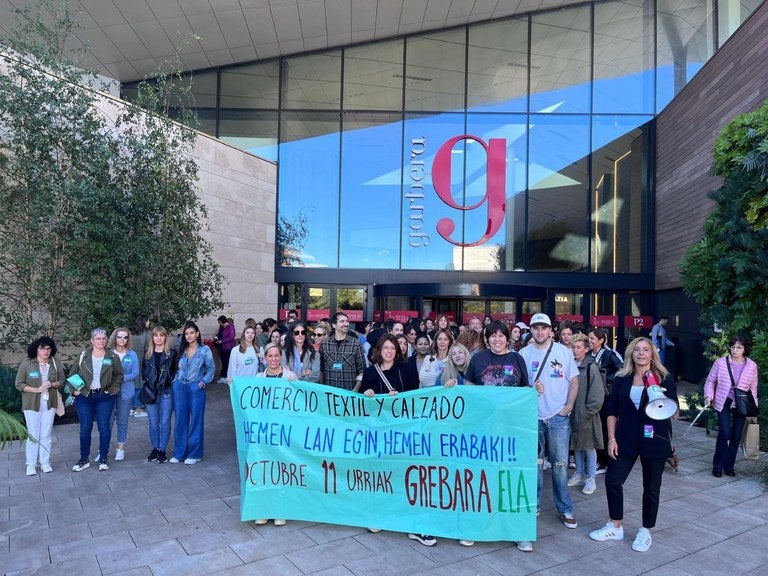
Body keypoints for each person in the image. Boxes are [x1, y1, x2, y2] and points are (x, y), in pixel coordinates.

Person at [589, 337, 678, 553]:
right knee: (612, 480)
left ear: (652, 354)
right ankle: (615, 525)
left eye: (645, 350)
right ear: (631, 353)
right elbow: (612, 412)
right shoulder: (622, 378)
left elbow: (674, 415)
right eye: (637, 350)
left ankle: (646, 530)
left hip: (654, 439)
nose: (641, 353)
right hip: (626, 437)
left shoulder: (664, 378)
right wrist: (611, 438)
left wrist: (659, 394)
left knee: (651, 487)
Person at [359, 334, 436, 547]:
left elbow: (414, 399)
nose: (389, 351)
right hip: (379, 433)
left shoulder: (408, 369)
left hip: (403, 432)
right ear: (378, 350)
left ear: (398, 350)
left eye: (393, 348)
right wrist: (368, 394)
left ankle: (413, 525)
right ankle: (379, 516)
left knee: (406, 475)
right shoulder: (369, 372)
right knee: (381, 475)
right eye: (385, 347)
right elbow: (365, 404)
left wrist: (400, 397)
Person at [460, 321, 529, 548]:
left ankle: (519, 531)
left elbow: (525, 393)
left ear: (507, 338)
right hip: (483, 431)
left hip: (511, 432)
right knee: (483, 480)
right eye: (492, 336)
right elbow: (468, 389)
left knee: (511, 480)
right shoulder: (478, 359)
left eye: (501, 335)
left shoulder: (517, 359)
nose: (497, 339)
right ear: (486, 338)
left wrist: (535, 392)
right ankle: (475, 528)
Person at [519, 313, 580, 544]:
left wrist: (568, 407)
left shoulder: (563, 352)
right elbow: (518, 385)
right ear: (531, 330)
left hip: (557, 418)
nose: (540, 332)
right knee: (534, 465)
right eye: (536, 328)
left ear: (550, 331)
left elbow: (574, 381)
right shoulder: (523, 354)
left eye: (544, 328)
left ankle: (565, 508)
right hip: (532, 417)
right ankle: (533, 506)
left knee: (560, 466)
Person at [68, 327, 124, 472]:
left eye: (103, 338)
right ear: (92, 340)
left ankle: (103, 458)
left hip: (104, 397)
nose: (101, 341)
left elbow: (119, 376)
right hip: (85, 396)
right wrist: (75, 391)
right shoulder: (83, 356)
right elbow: (72, 374)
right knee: (85, 428)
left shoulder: (112, 357)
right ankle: (84, 459)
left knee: (104, 427)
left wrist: (113, 389)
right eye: (98, 338)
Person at [703, 336, 759, 477]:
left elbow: (753, 388)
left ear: (745, 349)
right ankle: (717, 465)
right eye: (733, 347)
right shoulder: (720, 363)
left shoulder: (751, 366)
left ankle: (729, 466)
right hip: (724, 401)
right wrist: (708, 396)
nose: (735, 350)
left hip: (742, 403)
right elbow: (710, 381)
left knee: (736, 436)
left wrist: (754, 407)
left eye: (739, 347)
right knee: (725, 432)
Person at [15, 336, 65, 475]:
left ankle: (45, 462)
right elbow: (19, 384)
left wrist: (53, 384)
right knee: (33, 434)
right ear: (36, 349)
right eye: (42, 348)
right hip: (32, 403)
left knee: (46, 434)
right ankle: (30, 464)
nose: (45, 351)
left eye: (48, 348)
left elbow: (62, 380)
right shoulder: (27, 364)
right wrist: (36, 389)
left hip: (50, 403)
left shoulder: (55, 363)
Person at [170, 321, 215, 465]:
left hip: (196, 388)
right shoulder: (181, 349)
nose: (189, 336)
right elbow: (176, 368)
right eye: (186, 334)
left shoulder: (204, 350)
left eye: (191, 333)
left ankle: (195, 454)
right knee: (180, 421)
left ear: (197, 334)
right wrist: (175, 382)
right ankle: (179, 452)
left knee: (196, 421)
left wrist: (203, 382)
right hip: (180, 388)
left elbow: (211, 369)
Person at [567, 333, 604, 495]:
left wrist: (586, 412)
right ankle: (579, 473)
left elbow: (597, 395)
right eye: (573, 347)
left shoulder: (591, 367)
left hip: (586, 414)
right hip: (573, 412)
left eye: (579, 347)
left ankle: (591, 478)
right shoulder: (571, 365)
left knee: (588, 447)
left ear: (586, 349)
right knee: (577, 445)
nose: (575, 350)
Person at [589, 328, 624, 473]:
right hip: (592, 396)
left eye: (592, 339)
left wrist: (608, 379)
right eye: (589, 338)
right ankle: (599, 460)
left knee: (605, 428)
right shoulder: (588, 355)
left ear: (601, 341)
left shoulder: (609, 355)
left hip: (606, 397)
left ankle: (607, 461)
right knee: (594, 429)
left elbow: (622, 369)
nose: (589, 341)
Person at [143, 326, 177, 463]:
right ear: (152, 337)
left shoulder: (172, 353)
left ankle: (162, 449)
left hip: (166, 391)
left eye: (161, 335)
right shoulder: (147, 354)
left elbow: (175, 370)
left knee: (164, 422)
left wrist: (169, 380)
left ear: (165, 337)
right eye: (156, 335)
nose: (159, 338)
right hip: (151, 392)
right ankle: (155, 448)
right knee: (153, 422)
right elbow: (143, 371)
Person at [108, 327, 140, 462]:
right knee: (107, 421)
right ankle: (103, 449)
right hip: (108, 392)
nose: (122, 340)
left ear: (128, 339)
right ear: (114, 338)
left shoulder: (132, 354)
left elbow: (135, 373)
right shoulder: (107, 353)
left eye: (125, 337)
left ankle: (120, 448)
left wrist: (120, 378)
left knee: (122, 421)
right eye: (119, 337)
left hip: (126, 392)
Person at [320, 312, 367, 391]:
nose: (346, 324)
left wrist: (355, 390)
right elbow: (321, 370)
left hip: (349, 393)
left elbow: (362, 370)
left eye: (347, 321)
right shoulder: (325, 344)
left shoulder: (356, 344)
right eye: (342, 321)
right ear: (334, 325)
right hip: (329, 393)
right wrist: (322, 389)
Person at [130, 315, 151, 417]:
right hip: (142, 359)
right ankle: (138, 408)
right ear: (144, 322)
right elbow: (148, 348)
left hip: (130, 360)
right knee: (140, 383)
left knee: (132, 382)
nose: (149, 323)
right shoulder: (147, 334)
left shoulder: (131, 333)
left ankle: (131, 408)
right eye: (148, 321)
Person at [214, 315, 237, 383]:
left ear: (223, 321)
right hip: (222, 348)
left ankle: (226, 376)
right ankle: (223, 376)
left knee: (227, 362)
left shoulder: (230, 327)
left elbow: (231, 337)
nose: (219, 324)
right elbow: (219, 334)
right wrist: (217, 337)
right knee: (223, 362)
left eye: (220, 322)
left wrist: (222, 341)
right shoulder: (222, 328)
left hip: (229, 348)